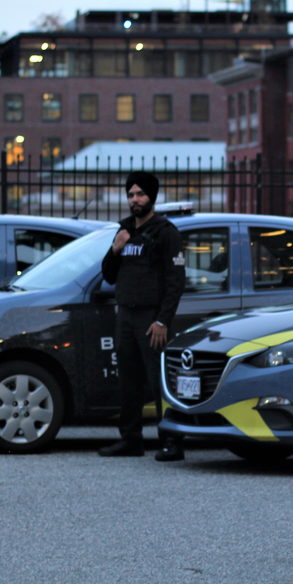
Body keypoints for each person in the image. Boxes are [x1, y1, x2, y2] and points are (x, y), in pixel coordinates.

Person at [97, 171, 187, 461]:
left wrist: (163, 321)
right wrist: (115, 248)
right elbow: (109, 276)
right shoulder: (124, 230)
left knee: (159, 382)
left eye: (140, 194)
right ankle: (131, 440)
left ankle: (171, 442)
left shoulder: (165, 232)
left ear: (152, 197)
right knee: (129, 382)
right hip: (125, 315)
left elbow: (176, 282)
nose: (134, 200)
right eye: (131, 195)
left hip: (151, 319)